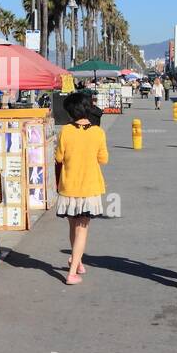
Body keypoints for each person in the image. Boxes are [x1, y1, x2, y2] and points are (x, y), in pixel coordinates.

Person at [54, 89, 110, 286]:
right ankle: (71, 272)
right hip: (89, 187)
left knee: (73, 226)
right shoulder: (98, 132)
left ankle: (77, 262)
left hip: (68, 186)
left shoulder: (65, 131)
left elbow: (59, 157)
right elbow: (103, 159)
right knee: (82, 229)